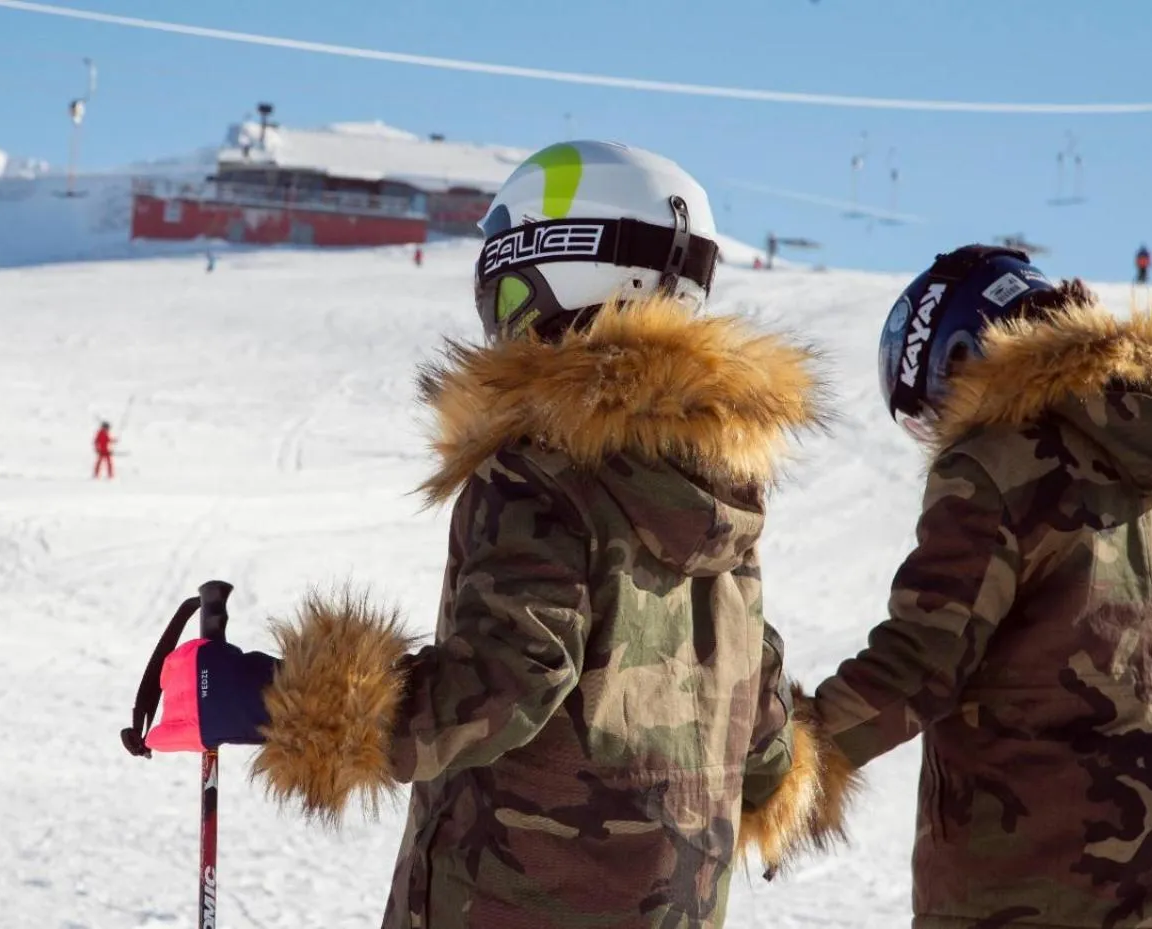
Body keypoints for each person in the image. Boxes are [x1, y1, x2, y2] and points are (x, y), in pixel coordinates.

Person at [137, 141, 856, 927]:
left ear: (558, 262)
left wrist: (276, 700)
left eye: (507, 275)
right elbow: (759, 714)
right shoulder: (723, 490)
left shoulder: (542, 466)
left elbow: (510, 679)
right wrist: (775, 779)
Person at [802, 245, 1152, 927]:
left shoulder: (997, 462)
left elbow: (919, 662)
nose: (939, 437)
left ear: (958, 355)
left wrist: (795, 757)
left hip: (1034, 888)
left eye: (931, 414)